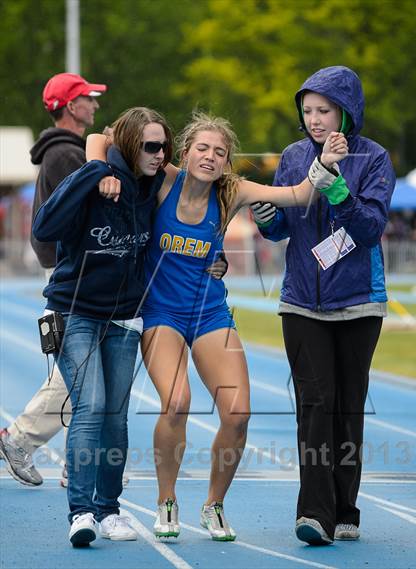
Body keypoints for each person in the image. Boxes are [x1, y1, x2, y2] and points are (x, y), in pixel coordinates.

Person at [88, 111, 348, 541]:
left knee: (238, 412)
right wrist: (100, 171)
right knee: (176, 402)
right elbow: (103, 136)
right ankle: (166, 499)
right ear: (186, 151)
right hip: (161, 314)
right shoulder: (165, 180)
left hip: (209, 312)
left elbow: (300, 194)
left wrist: (327, 161)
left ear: (227, 161)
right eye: (202, 149)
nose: (210, 157)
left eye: (220, 152)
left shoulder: (232, 192)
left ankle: (213, 505)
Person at [251, 66, 396, 545]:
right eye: (308, 111)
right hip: (301, 303)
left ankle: (345, 507)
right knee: (315, 405)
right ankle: (314, 513)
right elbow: (287, 226)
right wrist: (269, 220)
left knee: (347, 408)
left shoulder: (373, 158)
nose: (314, 120)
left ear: (346, 112)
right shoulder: (293, 157)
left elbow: (369, 229)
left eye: (324, 111)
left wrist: (336, 187)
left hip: (358, 303)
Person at [32, 106, 176, 546]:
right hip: (75, 313)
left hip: (125, 317)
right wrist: (93, 172)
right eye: (151, 146)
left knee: (115, 416)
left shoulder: (154, 186)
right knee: (90, 407)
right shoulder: (95, 176)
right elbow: (44, 226)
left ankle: (109, 509)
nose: (160, 154)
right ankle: (81, 513)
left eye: (164, 146)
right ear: (130, 147)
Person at [0, 73, 106, 487]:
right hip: (72, 276)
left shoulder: (66, 152)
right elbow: (73, 216)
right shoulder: (65, 156)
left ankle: (73, 457)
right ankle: (24, 440)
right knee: (79, 371)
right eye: (88, 99)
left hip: (72, 273)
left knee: (80, 369)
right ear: (69, 106)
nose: (94, 106)